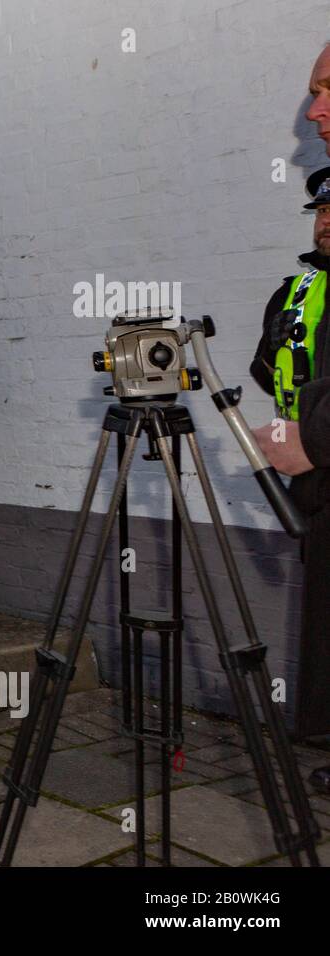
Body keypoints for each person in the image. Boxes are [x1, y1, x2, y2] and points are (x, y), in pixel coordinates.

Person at [251, 160, 330, 797]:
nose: (327, 223)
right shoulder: (296, 291)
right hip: (317, 485)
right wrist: (290, 427)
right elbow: (267, 365)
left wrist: (313, 433)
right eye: (321, 213)